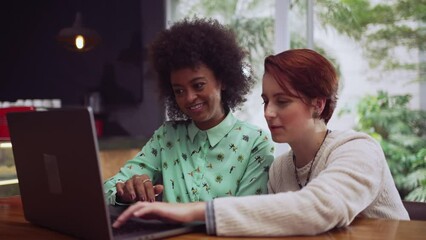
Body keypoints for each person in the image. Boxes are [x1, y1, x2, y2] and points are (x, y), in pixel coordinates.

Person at [112, 49, 410, 236]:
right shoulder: (281, 169)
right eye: (266, 100)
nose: (268, 113)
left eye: (282, 101)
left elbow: (321, 207)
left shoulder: (358, 148)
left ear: (318, 104)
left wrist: (191, 211)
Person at [103, 17, 274, 205]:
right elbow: (107, 189)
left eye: (198, 85)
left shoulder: (255, 143)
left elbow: (246, 214)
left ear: (222, 80)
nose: (189, 97)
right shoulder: (167, 137)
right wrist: (126, 192)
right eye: (179, 91)